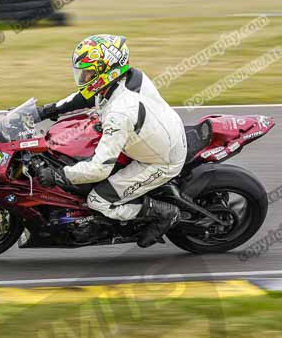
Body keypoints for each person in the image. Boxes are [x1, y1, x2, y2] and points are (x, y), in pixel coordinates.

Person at [34, 34, 187, 248]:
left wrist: (59, 175)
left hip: (161, 160)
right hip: (158, 134)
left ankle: (164, 213)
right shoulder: (127, 78)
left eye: (88, 72)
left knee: (98, 200)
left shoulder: (119, 112)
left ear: (106, 71)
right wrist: (46, 111)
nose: (83, 77)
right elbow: (86, 97)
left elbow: (99, 170)